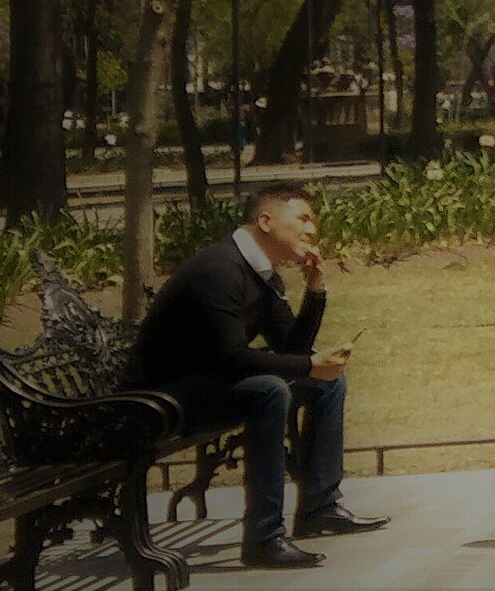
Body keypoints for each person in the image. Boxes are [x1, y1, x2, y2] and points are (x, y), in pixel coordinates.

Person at [126, 184, 387, 569]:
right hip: (161, 398)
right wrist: (310, 365)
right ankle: (263, 537)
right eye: (302, 218)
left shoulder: (259, 272)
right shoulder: (220, 269)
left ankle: (320, 506)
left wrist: (316, 292)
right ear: (265, 221)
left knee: (327, 381)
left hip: (208, 382)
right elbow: (234, 358)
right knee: (268, 390)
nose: (312, 230)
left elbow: (290, 349)